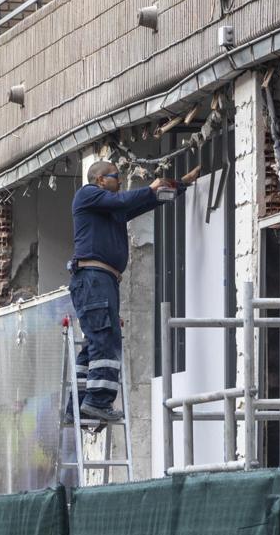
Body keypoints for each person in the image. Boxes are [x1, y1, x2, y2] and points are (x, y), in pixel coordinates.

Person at [67, 160, 199, 422]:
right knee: (106, 339)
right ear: (101, 179)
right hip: (94, 279)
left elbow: (141, 203)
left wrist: (179, 184)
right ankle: (98, 402)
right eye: (117, 176)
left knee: (95, 342)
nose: (121, 180)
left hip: (101, 281)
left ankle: (78, 405)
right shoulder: (87, 194)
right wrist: (150, 188)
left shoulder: (108, 209)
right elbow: (128, 200)